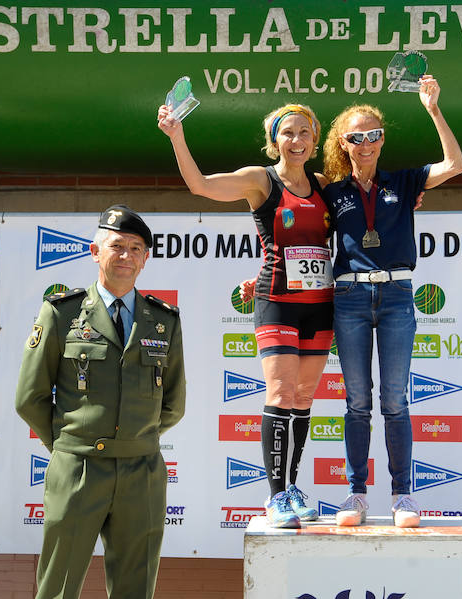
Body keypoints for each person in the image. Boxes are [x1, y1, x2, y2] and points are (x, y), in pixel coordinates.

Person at [157, 102, 332, 528]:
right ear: (274, 141)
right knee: (280, 392)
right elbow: (199, 186)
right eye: (287, 133)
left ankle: (291, 488)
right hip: (277, 302)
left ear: (315, 139)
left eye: (304, 132)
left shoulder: (325, 183)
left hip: (321, 305)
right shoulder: (261, 179)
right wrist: (177, 136)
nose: (296, 140)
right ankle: (275, 498)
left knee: (304, 398)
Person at [15, 205, 185, 599]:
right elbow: (30, 396)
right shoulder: (62, 313)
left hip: (141, 473)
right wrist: (68, 444)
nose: (126, 256)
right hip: (78, 469)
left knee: (135, 589)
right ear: (95, 251)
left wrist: (136, 438)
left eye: (135, 248)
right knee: (58, 587)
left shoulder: (164, 321)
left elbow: (174, 402)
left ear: (145, 259)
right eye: (117, 246)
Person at [322, 75, 462, 528]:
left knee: (395, 400)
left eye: (374, 135)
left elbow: (456, 164)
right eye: (356, 137)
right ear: (343, 143)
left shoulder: (404, 183)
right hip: (348, 294)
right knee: (357, 400)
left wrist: (433, 109)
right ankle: (357, 494)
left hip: (398, 293)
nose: (366, 144)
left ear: (382, 140)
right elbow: (294, 224)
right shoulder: (331, 189)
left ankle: (403, 496)